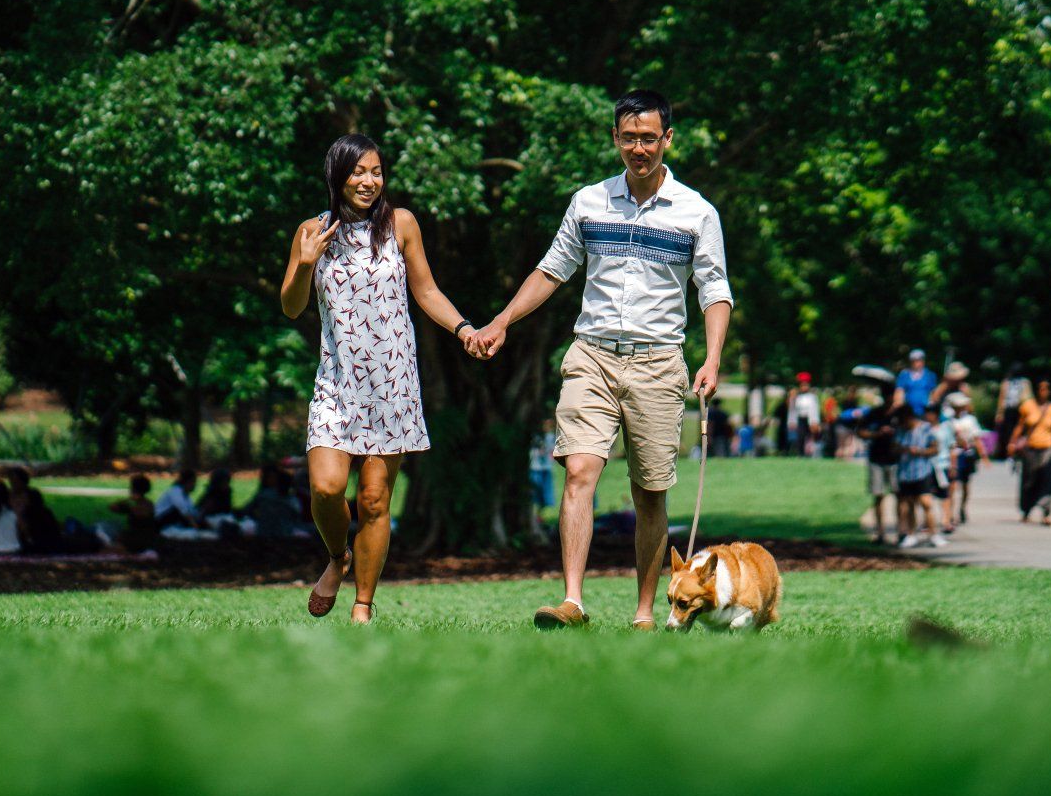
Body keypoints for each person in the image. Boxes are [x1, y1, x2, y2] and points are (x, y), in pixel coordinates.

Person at [465, 90, 733, 631]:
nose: (639, 148)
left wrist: (712, 359)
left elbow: (714, 290)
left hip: (658, 363)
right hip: (591, 355)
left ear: (667, 139)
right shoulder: (589, 202)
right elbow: (552, 269)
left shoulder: (697, 212)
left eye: (649, 138)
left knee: (650, 492)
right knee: (580, 470)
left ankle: (644, 612)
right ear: (615, 138)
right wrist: (501, 321)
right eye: (629, 138)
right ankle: (573, 602)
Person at [281, 133, 471, 625]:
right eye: (358, 172)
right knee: (326, 488)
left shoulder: (401, 224)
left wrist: (464, 329)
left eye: (376, 172)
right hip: (337, 383)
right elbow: (292, 306)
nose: (369, 181)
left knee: (373, 499)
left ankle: (363, 605)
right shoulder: (311, 231)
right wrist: (305, 264)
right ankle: (338, 557)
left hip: (392, 385)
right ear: (337, 176)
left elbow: (426, 291)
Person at [894, 402, 948, 548]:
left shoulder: (926, 429)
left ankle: (933, 534)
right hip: (905, 472)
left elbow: (935, 449)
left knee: (926, 503)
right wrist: (903, 449)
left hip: (922, 471)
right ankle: (911, 534)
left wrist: (920, 451)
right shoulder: (900, 431)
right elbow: (894, 448)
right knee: (909, 504)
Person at [856, 389, 904, 544]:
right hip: (877, 458)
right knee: (878, 495)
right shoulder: (874, 413)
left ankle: (901, 530)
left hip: (895, 459)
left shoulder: (900, 414)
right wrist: (877, 434)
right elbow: (860, 431)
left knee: (899, 495)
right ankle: (880, 532)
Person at [1013, 380, 1051, 525]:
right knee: (1029, 481)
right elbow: (1020, 426)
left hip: (1048, 447)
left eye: (1046, 389)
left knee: (1047, 480)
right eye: (1041, 389)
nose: (1044, 392)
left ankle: (1046, 513)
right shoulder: (1027, 406)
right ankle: (1026, 511)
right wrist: (1012, 443)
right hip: (1031, 448)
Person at [945, 390, 982, 527]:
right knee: (952, 485)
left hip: (968, 454)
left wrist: (982, 455)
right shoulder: (948, 420)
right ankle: (950, 513)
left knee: (966, 485)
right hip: (955, 454)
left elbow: (976, 438)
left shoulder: (970, 420)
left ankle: (962, 508)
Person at [105, 475, 160, 551]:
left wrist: (129, 502)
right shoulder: (145, 503)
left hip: (139, 539)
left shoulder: (141, 505)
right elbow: (112, 507)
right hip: (142, 537)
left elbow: (142, 515)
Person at [995, 366, 1031, 460]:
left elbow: (1028, 397)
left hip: (1020, 410)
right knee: (1009, 432)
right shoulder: (1007, 382)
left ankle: (1019, 451)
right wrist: (1000, 413)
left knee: (1020, 431)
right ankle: (1010, 452)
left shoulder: (1024, 382)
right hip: (1010, 410)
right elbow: (1002, 398)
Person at [787, 373, 820, 457]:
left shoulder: (812, 397)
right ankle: (800, 454)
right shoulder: (796, 396)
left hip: (810, 419)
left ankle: (811, 453)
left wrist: (815, 421)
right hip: (800, 419)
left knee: (810, 438)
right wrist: (791, 421)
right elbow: (792, 410)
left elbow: (814, 410)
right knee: (800, 436)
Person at [896, 350, 938, 416]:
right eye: (913, 361)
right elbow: (899, 390)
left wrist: (931, 404)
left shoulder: (930, 375)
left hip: (925, 410)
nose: (916, 363)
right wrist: (899, 402)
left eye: (919, 360)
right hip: (908, 410)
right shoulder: (904, 374)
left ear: (923, 361)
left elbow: (933, 392)